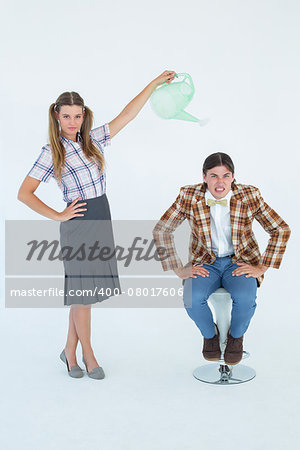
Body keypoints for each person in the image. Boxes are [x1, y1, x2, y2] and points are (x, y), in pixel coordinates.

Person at [17, 70, 176, 379]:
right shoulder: (51, 151)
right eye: (67, 116)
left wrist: (154, 83)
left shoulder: (93, 140)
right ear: (57, 116)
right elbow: (24, 193)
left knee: (83, 292)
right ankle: (88, 353)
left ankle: (69, 351)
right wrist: (59, 215)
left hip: (101, 214)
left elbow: (128, 114)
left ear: (83, 115)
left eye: (77, 115)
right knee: (83, 295)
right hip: (77, 223)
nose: (72, 121)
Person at [152, 152, 291, 365]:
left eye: (226, 176)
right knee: (191, 298)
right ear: (204, 177)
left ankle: (236, 338)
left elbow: (280, 229)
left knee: (245, 300)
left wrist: (262, 267)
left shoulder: (249, 195)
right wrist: (178, 269)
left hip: (239, 262)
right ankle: (210, 336)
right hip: (205, 263)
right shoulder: (189, 195)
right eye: (214, 176)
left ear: (233, 177)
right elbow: (162, 230)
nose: (220, 182)